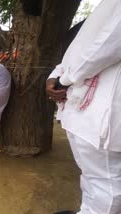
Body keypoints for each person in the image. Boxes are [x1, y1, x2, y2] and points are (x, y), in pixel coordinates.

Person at [46, 1, 121, 213]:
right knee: (90, 175)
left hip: (100, 112)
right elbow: (73, 54)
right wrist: (52, 78)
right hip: (80, 111)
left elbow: (106, 46)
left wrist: (64, 80)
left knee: (107, 185)